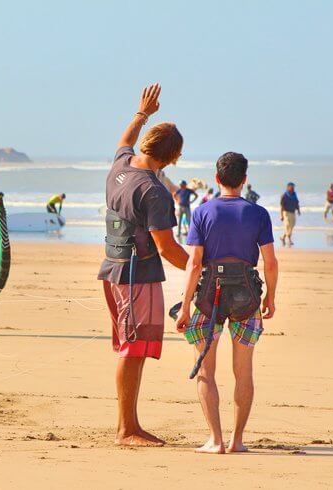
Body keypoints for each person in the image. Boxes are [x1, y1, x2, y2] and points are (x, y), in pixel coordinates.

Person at [97, 83, 188, 447]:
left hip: (113, 269)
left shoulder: (120, 167)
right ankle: (127, 429)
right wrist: (201, 267)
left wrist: (141, 113)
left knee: (130, 347)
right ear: (174, 157)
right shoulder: (154, 191)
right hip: (137, 276)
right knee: (133, 349)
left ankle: (129, 425)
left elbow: (124, 140)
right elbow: (167, 247)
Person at [175, 152, 278, 454]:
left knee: (206, 371)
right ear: (245, 180)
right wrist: (271, 296)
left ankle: (215, 440)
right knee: (243, 372)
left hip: (209, 297)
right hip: (247, 296)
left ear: (217, 178)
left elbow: (194, 264)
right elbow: (270, 262)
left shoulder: (203, 212)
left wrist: (183, 307)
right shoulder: (258, 214)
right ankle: (237, 441)